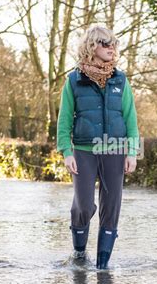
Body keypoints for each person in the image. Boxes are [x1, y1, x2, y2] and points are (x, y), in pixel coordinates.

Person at [56, 24, 140, 269]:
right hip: (84, 150)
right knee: (83, 205)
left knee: (112, 205)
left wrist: (132, 151)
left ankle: (103, 266)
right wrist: (66, 151)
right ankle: (80, 252)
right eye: (105, 43)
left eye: (114, 43)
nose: (111, 48)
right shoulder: (74, 80)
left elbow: (130, 118)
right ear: (91, 47)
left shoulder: (120, 80)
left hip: (115, 148)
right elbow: (64, 120)